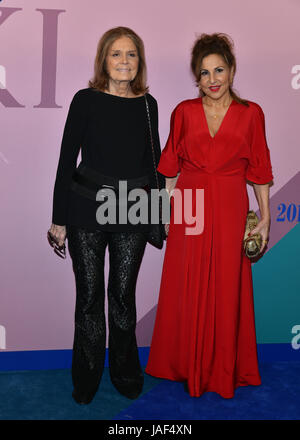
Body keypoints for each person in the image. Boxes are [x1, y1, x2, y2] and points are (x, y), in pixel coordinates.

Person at [145, 33, 273, 399]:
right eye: (204, 73)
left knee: (225, 288)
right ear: (196, 78)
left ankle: (221, 369)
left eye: (219, 70)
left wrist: (264, 218)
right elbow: (170, 167)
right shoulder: (183, 112)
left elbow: (260, 170)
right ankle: (187, 365)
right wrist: (163, 209)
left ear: (232, 71)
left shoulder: (252, 114)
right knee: (187, 286)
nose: (212, 79)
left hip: (232, 205)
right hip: (191, 207)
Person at [48, 27, 162, 404]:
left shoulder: (149, 105)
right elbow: (67, 161)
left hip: (132, 212)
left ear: (139, 62)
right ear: (104, 60)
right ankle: (86, 379)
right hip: (85, 211)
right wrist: (58, 219)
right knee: (89, 298)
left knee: (123, 298)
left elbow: (155, 165)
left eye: (131, 54)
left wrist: (156, 217)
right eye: (116, 54)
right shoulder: (85, 100)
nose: (124, 61)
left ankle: (126, 374)